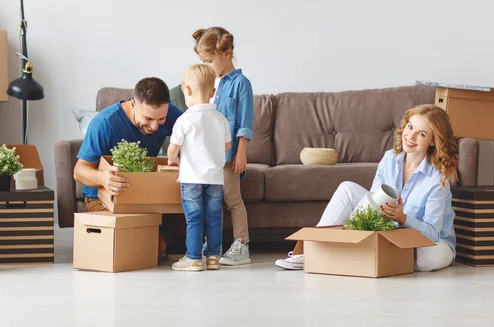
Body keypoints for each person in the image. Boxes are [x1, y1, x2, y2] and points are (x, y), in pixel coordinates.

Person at [275, 104, 459, 272]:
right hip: (392, 234)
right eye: (410, 127)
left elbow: (433, 234)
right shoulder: (390, 159)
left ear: (433, 141)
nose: (410, 136)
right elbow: (372, 200)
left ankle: (355, 256)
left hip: (430, 242)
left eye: (421, 134)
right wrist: (370, 215)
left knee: (424, 261)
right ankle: (312, 251)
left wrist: (403, 218)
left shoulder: (437, 178)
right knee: (347, 188)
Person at [73, 77, 183, 257]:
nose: (155, 126)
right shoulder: (105, 123)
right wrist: (103, 178)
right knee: (142, 250)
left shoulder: (169, 114)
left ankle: (160, 237)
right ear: (133, 104)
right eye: (148, 118)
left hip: (144, 195)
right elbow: (79, 171)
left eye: (161, 119)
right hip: (103, 199)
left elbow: (195, 132)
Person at [172, 27, 254, 266]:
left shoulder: (241, 83)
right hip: (207, 158)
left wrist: (241, 152)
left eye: (209, 61)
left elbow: (244, 122)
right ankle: (211, 249)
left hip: (229, 154)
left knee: (232, 198)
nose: (206, 66)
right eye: (203, 61)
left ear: (226, 54)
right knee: (211, 203)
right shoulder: (209, 82)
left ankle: (242, 245)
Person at [167, 64, 232, 272]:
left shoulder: (184, 120)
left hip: (192, 179)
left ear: (186, 90)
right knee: (214, 218)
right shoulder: (221, 119)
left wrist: (173, 159)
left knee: (194, 219)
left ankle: (193, 258)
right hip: (215, 179)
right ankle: (213, 257)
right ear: (213, 92)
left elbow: (173, 148)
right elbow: (228, 145)